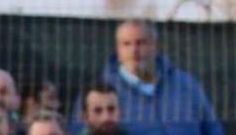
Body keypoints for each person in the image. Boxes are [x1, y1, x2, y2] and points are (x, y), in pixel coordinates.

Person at [91, 20, 222, 135]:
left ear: (155, 46)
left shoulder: (187, 85)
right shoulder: (98, 92)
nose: (134, 50)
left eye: (141, 43)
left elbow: (213, 129)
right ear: (118, 51)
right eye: (127, 44)